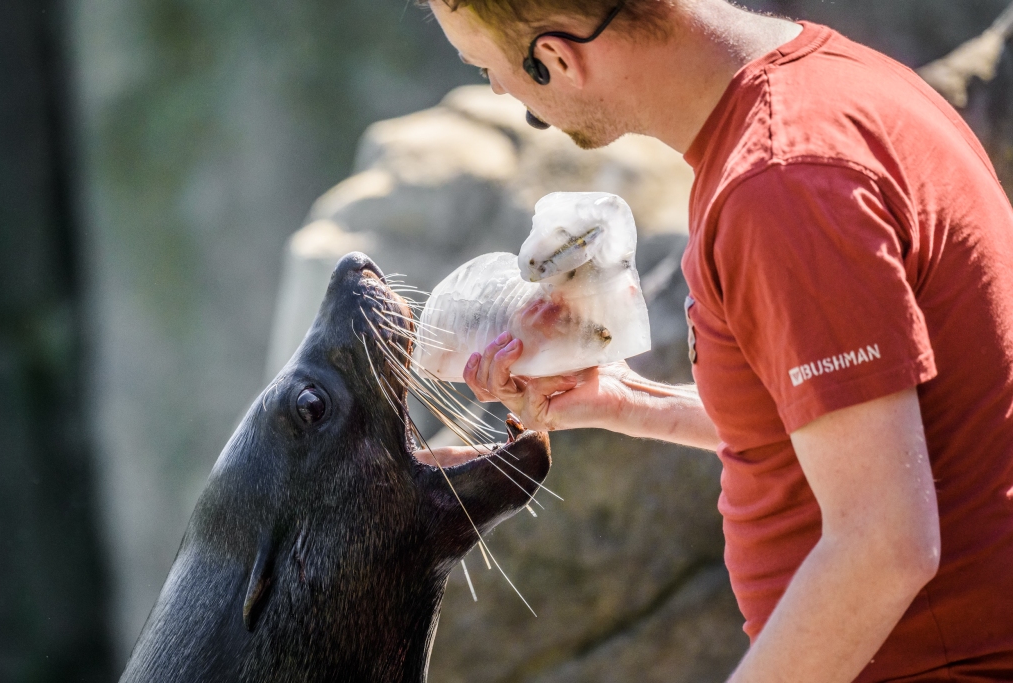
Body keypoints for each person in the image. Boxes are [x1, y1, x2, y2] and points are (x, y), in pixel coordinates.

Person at [421, 0, 1013, 681]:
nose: (496, 89)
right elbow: (867, 430)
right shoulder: (836, 83)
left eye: (488, 69)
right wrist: (626, 400)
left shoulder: (782, 183)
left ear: (556, 60)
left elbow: (884, 546)